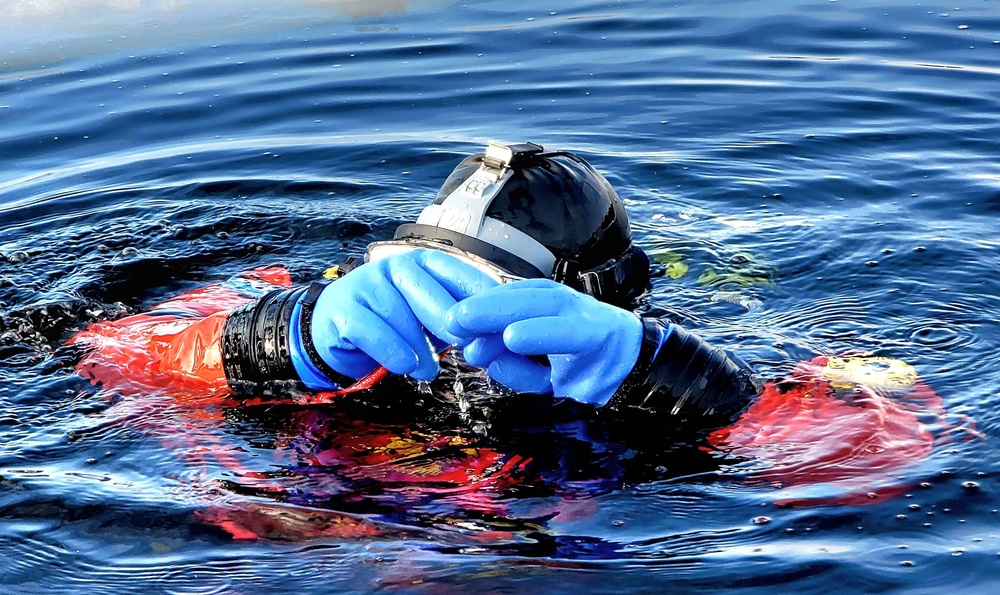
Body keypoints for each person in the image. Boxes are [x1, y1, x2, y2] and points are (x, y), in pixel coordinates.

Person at [215, 142, 759, 422]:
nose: (447, 327)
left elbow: (828, 463)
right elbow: (134, 353)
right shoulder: (347, 313)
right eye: (425, 276)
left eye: (490, 292)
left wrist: (664, 374)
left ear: (586, 300)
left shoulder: (657, 346)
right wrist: (290, 339)